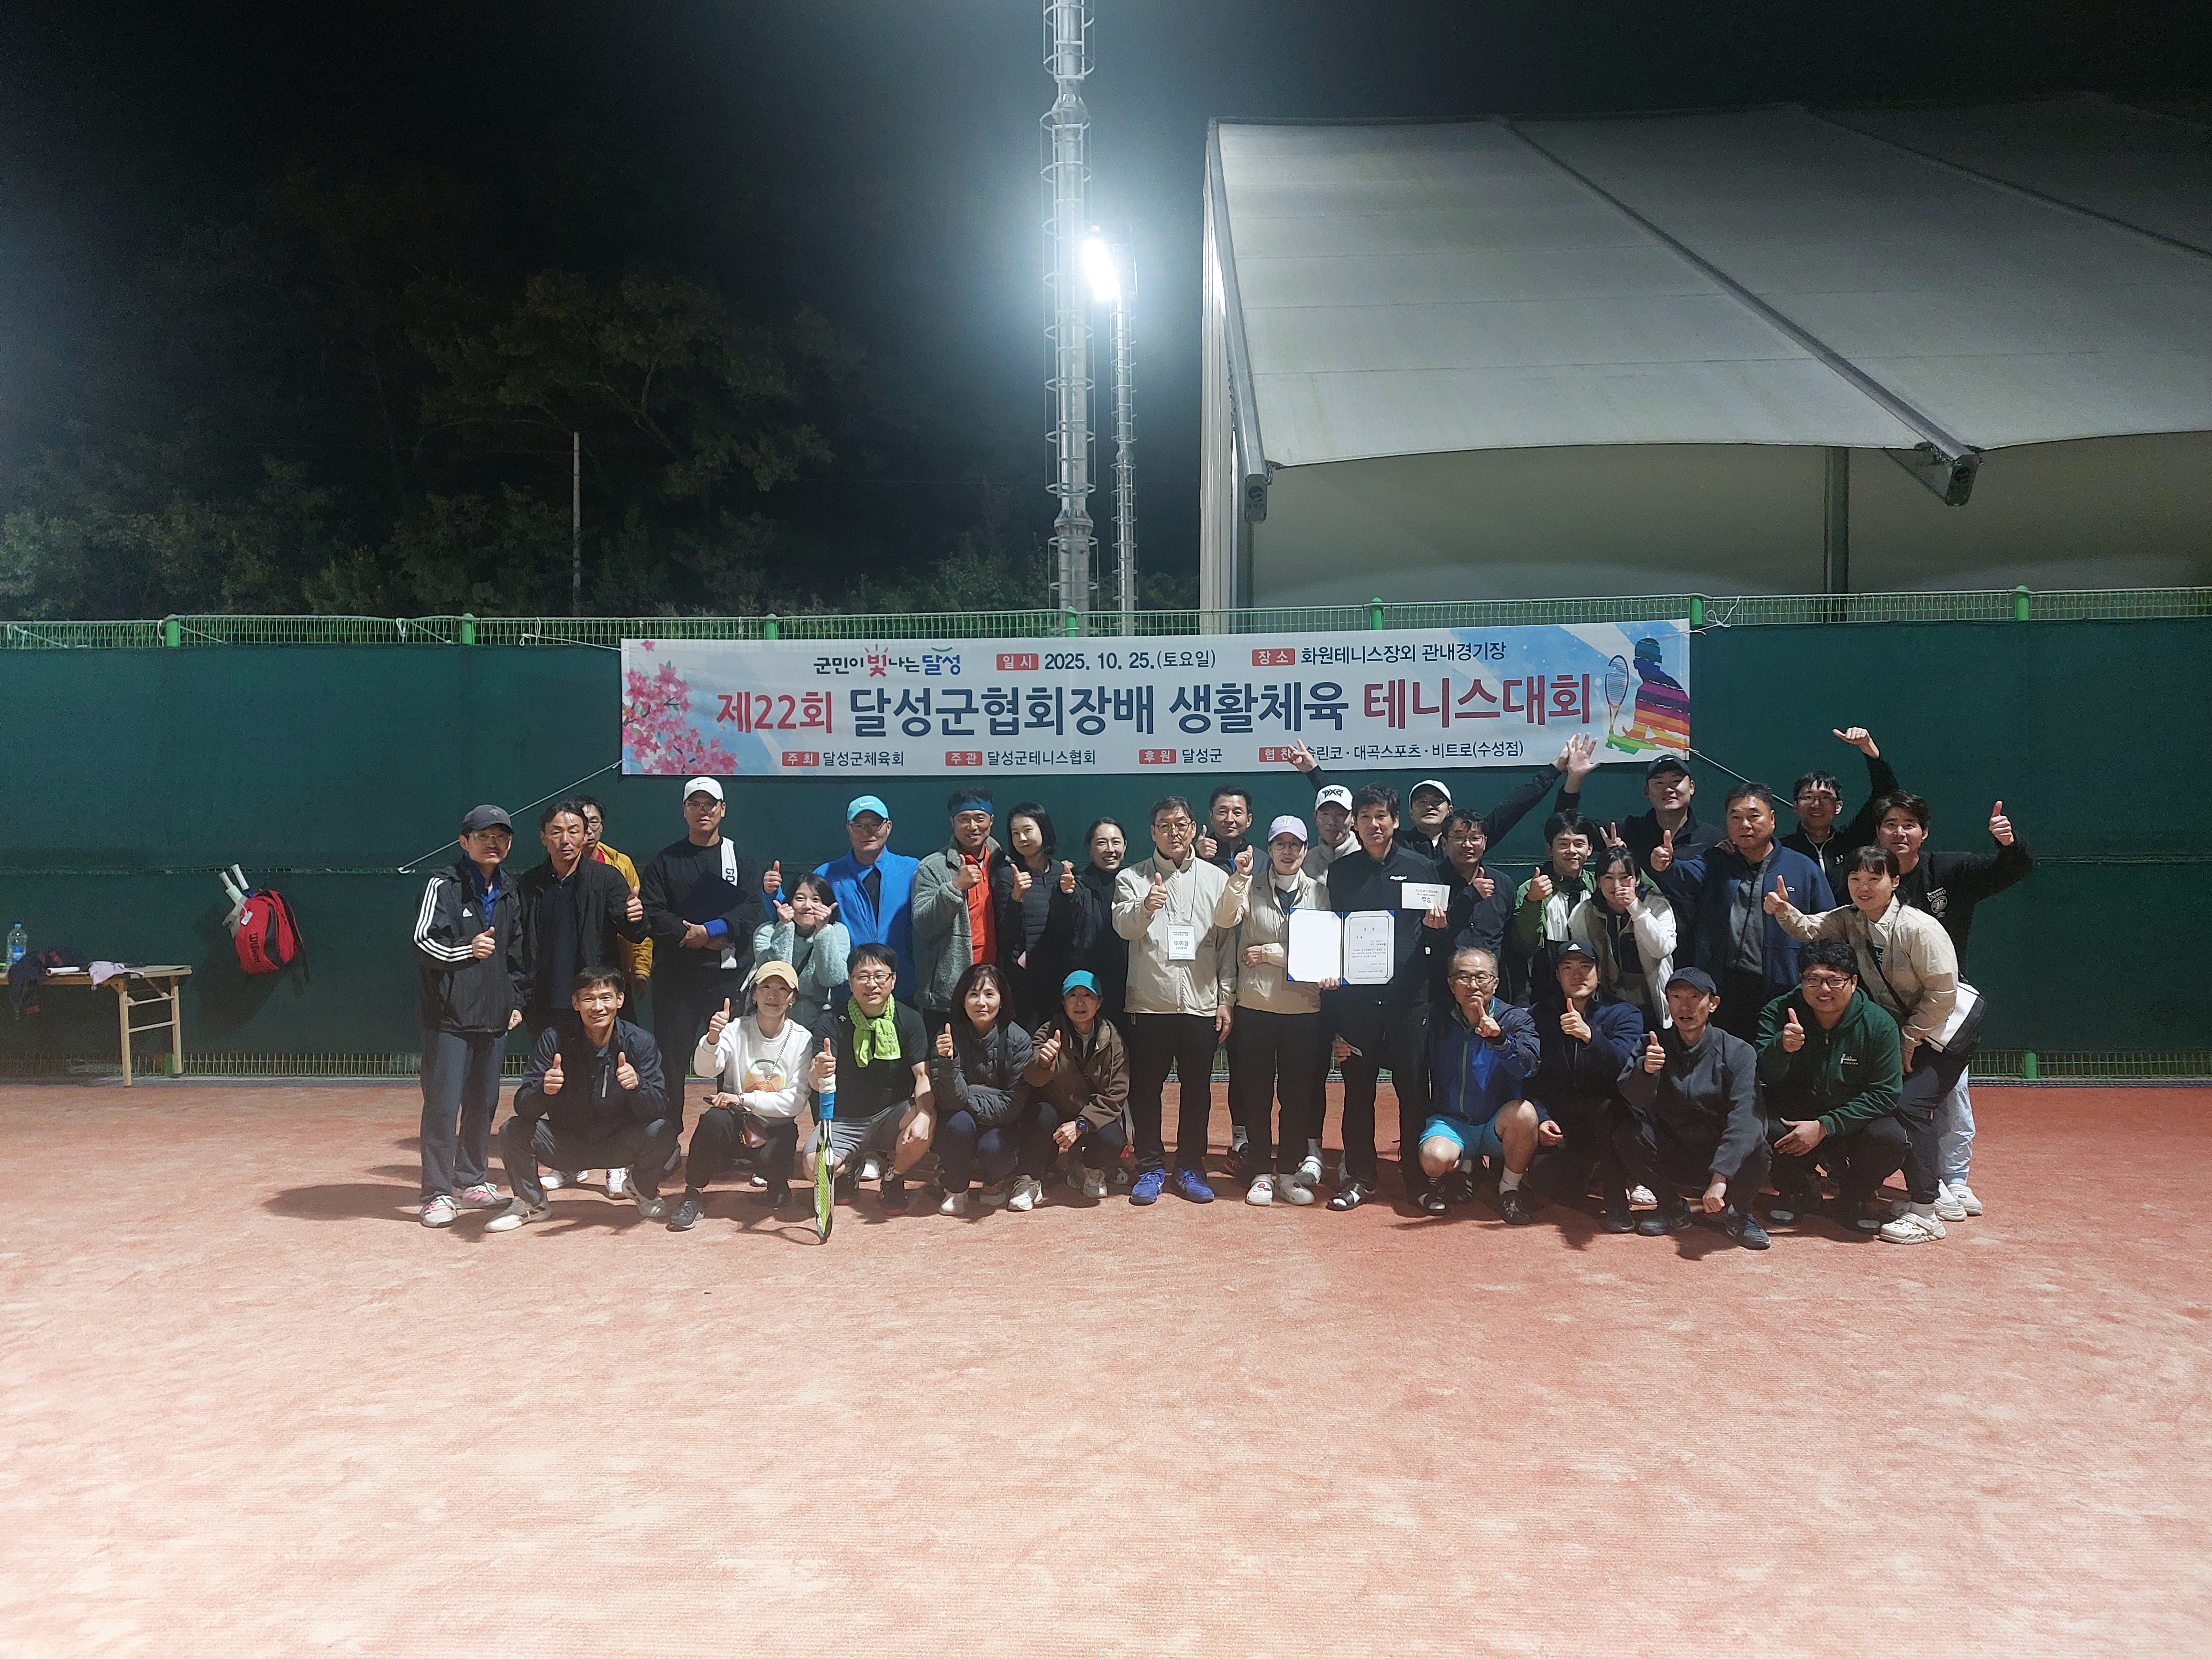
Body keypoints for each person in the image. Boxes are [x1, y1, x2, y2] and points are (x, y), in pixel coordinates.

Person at [1766, 846, 1983, 1240]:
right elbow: (1810, 929)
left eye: (1874, 879)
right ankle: (1916, 1195)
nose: (1863, 888)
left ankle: (1926, 1210)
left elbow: (1943, 994)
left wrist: (1908, 1039)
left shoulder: (1920, 929)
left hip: (1942, 1033)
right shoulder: (1851, 919)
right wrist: (1783, 911)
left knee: (1908, 1104)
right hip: (1907, 1031)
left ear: (1895, 882)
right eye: (1855, 879)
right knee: (1892, 1104)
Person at [1872, 791, 2033, 1217]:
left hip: (1945, 1006)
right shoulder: (1867, 877)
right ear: (1878, 833)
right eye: (1890, 824)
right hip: (1887, 1009)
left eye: (1909, 825)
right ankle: (1913, 1179)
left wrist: (2008, 843)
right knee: (1901, 1096)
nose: (1899, 832)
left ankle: (1955, 1180)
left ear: (1924, 833)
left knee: (1953, 1093)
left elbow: (2012, 870)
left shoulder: (1950, 870)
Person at [1322, 785, 1448, 1211]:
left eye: (1382, 816)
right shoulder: (1341, 873)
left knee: (1413, 1092)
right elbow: (1332, 936)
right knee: (1358, 1093)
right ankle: (1361, 1178)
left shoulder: (1421, 867)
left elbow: (1436, 937)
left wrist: (1437, 929)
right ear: (1354, 824)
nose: (1374, 825)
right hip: (1356, 1006)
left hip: (1409, 1002)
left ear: (1395, 821)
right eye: (1365, 817)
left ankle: (1419, 1180)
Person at [1112, 795, 1237, 1205]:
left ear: (1194, 829)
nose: (1174, 833)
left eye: (1181, 825)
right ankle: (1150, 1167)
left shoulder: (1217, 878)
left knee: (1197, 1091)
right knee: (1146, 1091)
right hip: (1149, 1006)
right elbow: (1125, 928)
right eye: (1164, 826)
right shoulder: (1132, 878)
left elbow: (1225, 945)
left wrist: (1225, 999)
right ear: (1153, 833)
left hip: (1201, 1005)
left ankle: (1189, 1167)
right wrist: (1146, 906)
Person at [487, 967, 677, 1229]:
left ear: (620, 1000)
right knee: (513, 1130)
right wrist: (544, 1090)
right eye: (589, 999)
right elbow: (524, 1106)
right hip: (565, 1144)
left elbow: (657, 1107)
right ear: (575, 1003)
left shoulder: (640, 1042)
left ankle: (641, 1187)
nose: (598, 1007)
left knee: (665, 1130)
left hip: (619, 1145)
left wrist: (638, 1086)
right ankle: (532, 1203)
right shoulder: (553, 1040)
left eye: (606, 998)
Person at [412, 803, 527, 1228]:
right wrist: (467, 950)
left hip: (494, 1018)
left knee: (484, 1103)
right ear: (464, 842)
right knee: (443, 1107)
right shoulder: (442, 885)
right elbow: (423, 942)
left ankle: (473, 1180)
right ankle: (437, 1193)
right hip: (449, 1018)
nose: (493, 843)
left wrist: (516, 1002)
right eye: (484, 836)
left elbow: (518, 955)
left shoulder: (511, 890)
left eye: (501, 837)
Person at [1651, 783, 1835, 1040]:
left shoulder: (1802, 868)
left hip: (1783, 986)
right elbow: (1686, 875)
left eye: (1753, 816)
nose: (1744, 825)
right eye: (1736, 818)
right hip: (1723, 985)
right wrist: (1668, 865)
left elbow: (1828, 928)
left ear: (1772, 820)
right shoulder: (1717, 860)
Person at [638, 777, 763, 1137]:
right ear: (684, 810)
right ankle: (665, 1141)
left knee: (732, 1063)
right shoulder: (665, 861)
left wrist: (710, 931)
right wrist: (688, 935)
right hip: (676, 981)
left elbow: (752, 909)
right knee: (671, 1061)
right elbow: (652, 912)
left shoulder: (740, 860)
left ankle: (732, 1139)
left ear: (722, 810)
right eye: (695, 804)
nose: (703, 811)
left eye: (710, 804)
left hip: (726, 981)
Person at [1613, 967, 1771, 1248]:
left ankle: (1740, 1213)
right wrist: (1645, 1070)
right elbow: (1633, 1099)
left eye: (1694, 997)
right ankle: (1671, 1207)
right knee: (1626, 1131)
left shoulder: (1738, 1051)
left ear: (1713, 1004)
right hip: (1672, 1148)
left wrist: (1722, 1174)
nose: (1684, 1007)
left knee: (1759, 1149)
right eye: (1676, 997)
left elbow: (1747, 1117)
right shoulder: (1652, 1044)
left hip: (1719, 1151)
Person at [1757, 938, 1906, 1233]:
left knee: (1889, 1138)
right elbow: (1762, 1074)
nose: (1823, 990)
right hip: (1795, 1115)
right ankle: (1796, 1189)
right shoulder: (1779, 1011)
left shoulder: (1880, 1024)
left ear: (1853, 982)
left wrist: (1826, 1126)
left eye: (1834, 981)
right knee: (1763, 1127)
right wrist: (1781, 1048)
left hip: (1851, 1120)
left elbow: (1886, 1094)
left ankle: (1856, 1195)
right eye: (1812, 980)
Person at [1218, 815, 1328, 1206]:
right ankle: (1261, 1173)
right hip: (1256, 1008)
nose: (1288, 851)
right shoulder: (1250, 887)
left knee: (1297, 1096)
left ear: (1305, 850)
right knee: (1256, 1094)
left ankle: (1288, 1174)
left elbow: (1321, 952)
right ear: (1270, 848)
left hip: (1303, 1010)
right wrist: (1239, 878)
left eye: (1295, 844)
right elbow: (1224, 919)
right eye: (1280, 844)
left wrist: (1270, 953)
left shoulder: (1320, 893)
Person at [669, 958, 815, 1229]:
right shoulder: (735, 1029)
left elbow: (795, 1102)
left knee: (776, 1156)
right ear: (755, 994)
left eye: (782, 990)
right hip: (736, 1121)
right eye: (766, 987)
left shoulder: (802, 1039)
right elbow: (705, 1069)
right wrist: (712, 1038)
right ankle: (693, 1195)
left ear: (793, 999)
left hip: (775, 1127)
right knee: (713, 1121)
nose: (773, 996)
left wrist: (743, 1098)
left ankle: (777, 1186)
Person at [1523, 940, 1643, 1231]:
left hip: (1611, 1116)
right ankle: (1589, 1168)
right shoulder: (1539, 1015)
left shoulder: (1624, 1013)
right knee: (1548, 1183)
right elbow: (1530, 1076)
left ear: (1599, 973)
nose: (1577, 975)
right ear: (1558, 975)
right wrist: (1542, 1117)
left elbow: (1625, 1068)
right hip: (1563, 1119)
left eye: (1585, 967)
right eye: (1568, 968)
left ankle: (1616, 1197)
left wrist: (1591, 1037)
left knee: (1608, 1111)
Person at [805, 942, 933, 1210]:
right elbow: (815, 1082)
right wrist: (819, 1071)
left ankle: (893, 1177)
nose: (871, 984)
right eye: (862, 976)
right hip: (843, 1118)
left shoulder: (910, 1019)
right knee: (812, 1167)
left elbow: (922, 1075)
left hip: (893, 1115)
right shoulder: (831, 1021)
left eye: (880, 976)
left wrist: (924, 1114)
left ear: (893, 980)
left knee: (928, 1120)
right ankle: (850, 1166)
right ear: (850, 981)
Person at [1417, 946, 1542, 1221]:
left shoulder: (1515, 1019)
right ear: (1451, 985)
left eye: (1481, 977)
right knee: (1433, 1159)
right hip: (1452, 1122)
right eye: (1463, 977)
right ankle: (1464, 1165)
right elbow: (1403, 1052)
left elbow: (1528, 1069)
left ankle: (1509, 1189)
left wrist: (1501, 1041)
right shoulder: (1436, 1017)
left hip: (1496, 1124)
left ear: (1495, 983)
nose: (1472, 985)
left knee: (1526, 1113)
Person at [517, 800, 648, 1035]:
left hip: (595, 1002)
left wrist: (635, 917)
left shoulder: (607, 878)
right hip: (544, 1003)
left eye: (573, 831)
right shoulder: (529, 884)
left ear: (586, 835)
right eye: (556, 832)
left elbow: (636, 933)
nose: (565, 840)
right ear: (543, 837)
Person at [930, 962, 1051, 1214]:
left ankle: (995, 1182)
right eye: (973, 994)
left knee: (994, 1148)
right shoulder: (948, 1036)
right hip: (962, 1119)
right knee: (957, 1124)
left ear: (1002, 1000)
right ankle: (956, 1188)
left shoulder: (1019, 1039)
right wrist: (948, 1062)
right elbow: (950, 1102)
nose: (981, 1002)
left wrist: (969, 1091)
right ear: (963, 1001)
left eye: (989, 994)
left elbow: (1010, 1107)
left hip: (1002, 1125)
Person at [796, 795, 919, 1001]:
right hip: (848, 987)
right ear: (848, 829)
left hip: (901, 985)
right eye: (859, 826)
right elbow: (800, 918)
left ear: (888, 827)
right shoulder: (826, 874)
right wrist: (772, 895)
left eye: (874, 825)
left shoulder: (912, 869)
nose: (867, 832)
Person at [1022, 971, 1130, 1199]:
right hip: (1057, 1110)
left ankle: (1088, 1168)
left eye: (1088, 996)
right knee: (1040, 1116)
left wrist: (1082, 1124)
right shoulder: (1049, 1032)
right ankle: (1030, 1178)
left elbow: (1116, 1094)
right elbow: (1032, 1078)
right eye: (1073, 995)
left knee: (1114, 1141)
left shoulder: (1113, 1040)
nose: (1080, 1003)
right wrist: (1043, 1063)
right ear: (1064, 1003)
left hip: (1090, 1114)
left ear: (1099, 1003)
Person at [912, 788, 1011, 1028]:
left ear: (991, 821)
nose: (972, 826)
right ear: (952, 823)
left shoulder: (1006, 866)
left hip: (996, 987)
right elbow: (924, 925)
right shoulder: (932, 867)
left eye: (980, 818)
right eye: (964, 819)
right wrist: (955, 887)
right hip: (950, 990)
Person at [1566, 841, 1678, 1030]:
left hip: (1652, 1004)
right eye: (1609, 878)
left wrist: (1636, 908)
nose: (1617, 885)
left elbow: (1661, 950)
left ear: (1637, 880)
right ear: (1599, 881)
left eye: (1625, 878)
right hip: (1606, 1006)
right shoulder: (1583, 913)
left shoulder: (1658, 906)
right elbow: (1583, 961)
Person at [1780, 727, 1900, 895]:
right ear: (1796, 807)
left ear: (1838, 806)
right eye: (1808, 797)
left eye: (1826, 797)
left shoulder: (1852, 839)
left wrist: (1868, 748)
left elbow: (1887, 793)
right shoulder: (1781, 850)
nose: (1816, 804)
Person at [1509, 809, 1599, 992]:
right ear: (1550, 849)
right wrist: (1533, 901)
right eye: (1563, 844)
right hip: (1546, 990)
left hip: (1597, 988)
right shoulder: (1530, 889)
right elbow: (1526, 946)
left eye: (1579, 844)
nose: (1572, 851)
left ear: (1590, 849)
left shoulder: (1600, 885)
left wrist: (1620, 858)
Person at [992, 802, 1064, 1030]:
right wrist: (1016, 896)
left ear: (1044, 829)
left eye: (1027, 830)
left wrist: (1072, 894)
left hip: (1060, 977)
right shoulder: (1007, 875)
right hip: (1025, 982)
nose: (1022, 838)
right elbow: (1004, 933)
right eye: (1015, 833)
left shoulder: (1063, 872)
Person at [752, 871, 851, 1031]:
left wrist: (823, 931)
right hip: (774, 1019)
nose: (807, 906)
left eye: (816, 900)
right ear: (789, 902)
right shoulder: (767, 932)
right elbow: (777, 977)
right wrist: (785, 927)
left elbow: (832, 979)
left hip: (819, 1022)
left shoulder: (838, 931)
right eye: (800, 898)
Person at [575, 794, 651, 988]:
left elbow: (638, 916)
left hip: (615, 970)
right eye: (582, 822)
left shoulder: (621, 864)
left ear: (602, 826)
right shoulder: (562, 867)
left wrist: (641, 970)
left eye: (594, 822)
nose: (589, 829)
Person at [1619, 754, 1723, 879]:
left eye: (1676, 781)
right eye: (1660, 783)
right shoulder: (1630, 830)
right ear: (1647, 791)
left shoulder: (1713, 839)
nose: (1668, 789)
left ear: (1692, 787)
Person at [1194, 784, 1254, 872]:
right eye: (1223, 812)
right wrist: (1197, 856)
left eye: (1237, 813)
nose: (1229, 819)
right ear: (1211, 817)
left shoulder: (1262, 860)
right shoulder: (1194, 856)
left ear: (1248, 820)